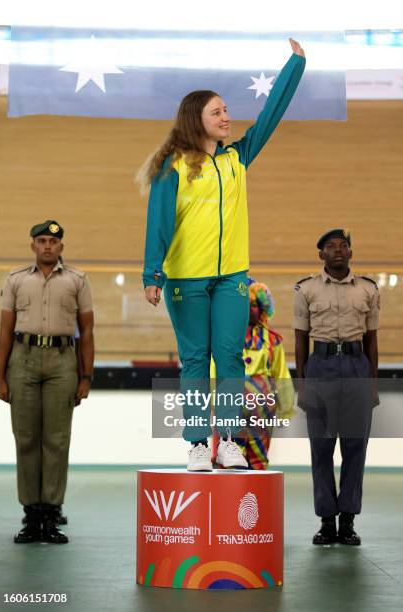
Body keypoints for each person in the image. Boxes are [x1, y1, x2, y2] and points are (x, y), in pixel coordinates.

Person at [140, 38, 306, 471]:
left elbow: (270, 115)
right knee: (195, 359)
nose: (227, 117)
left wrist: (295, 65)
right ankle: (197, 443)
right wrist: (152, 274)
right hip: (185, 280)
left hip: (232, 278)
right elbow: (158, 221)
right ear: (196, 119)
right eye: (217, 112)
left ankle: (228, 440)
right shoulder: (172, 165)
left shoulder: (237, 159)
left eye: (227, 110)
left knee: (229, 357)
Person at [0, 220, 94, 544]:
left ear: (61, 247)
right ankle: (31, 514)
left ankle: (51, 512)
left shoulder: (78, 280)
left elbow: (88, 333)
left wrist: (85, 376)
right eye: (42, 240)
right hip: (22, 361)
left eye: (53, 241)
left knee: (56, 439)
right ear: (33, 246)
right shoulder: (15, 280)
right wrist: (0, 376)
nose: (48, 246)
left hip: (62, 363)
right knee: (25, 438)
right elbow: (5, 331)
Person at [293, 229, 379, 546]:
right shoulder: (306, 289)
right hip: (320, 367)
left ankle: (348, 522)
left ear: (351, 254)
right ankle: (327, 522)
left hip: (357, 368)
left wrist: (373, 384)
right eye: (331, 246)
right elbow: (300, 339)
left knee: (356, 449)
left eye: (344, 246)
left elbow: (372, 339)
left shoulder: (368, 289)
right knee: (322, 448)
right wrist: (302, 385)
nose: (338, 250)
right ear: (321, 255)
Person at [211, 278, 295, 468]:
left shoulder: (272, 341)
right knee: (228, 459)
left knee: (259, 459)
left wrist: (286, 409)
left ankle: (257, 497)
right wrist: (214, 401)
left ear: (263, 308)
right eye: (244, 304)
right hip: (231, 405)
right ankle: (230, 497)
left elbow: (281, 374)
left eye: (255, 305)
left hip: (262, 409)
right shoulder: (223, 339)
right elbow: (213, 371)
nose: (250, 309)